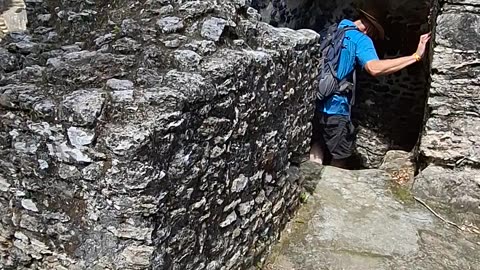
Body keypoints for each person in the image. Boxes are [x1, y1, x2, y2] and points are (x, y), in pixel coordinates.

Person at [310, 3, 431, 168]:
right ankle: (326, 190)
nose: (375, 39)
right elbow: (374, 68)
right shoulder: (361, 39)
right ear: (371, 28)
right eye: (376, 34)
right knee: (341, 155)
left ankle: (310, 178)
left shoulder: (335, 29)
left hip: (315, 99)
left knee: (318, 142)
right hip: (336, 107)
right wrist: (415, 56)